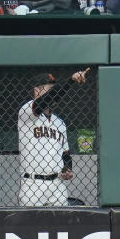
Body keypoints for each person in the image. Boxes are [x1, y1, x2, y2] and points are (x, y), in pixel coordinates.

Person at [18, 68, 90, 206]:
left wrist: (67, 169)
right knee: (30, 225)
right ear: (36, 91)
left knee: (60, 223)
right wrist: (71, 81)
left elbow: (65, 153)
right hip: (32, 183)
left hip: (57, 185)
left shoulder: (60, 122)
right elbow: (48, 98)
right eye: (50, 89)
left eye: (54, 89)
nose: (54, 92)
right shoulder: (26, 111)